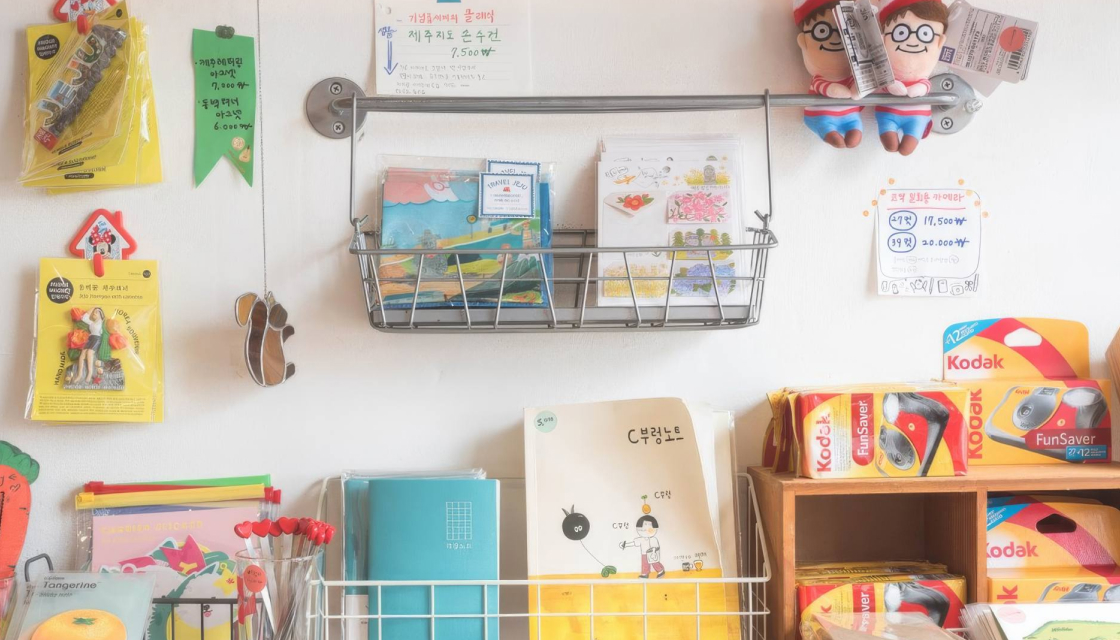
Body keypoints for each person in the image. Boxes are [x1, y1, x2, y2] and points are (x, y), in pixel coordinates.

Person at [875, 0, 949, 155]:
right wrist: (891, 85)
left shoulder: (923, 79)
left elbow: (925, 85)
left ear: (940, 42)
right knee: (890, 145)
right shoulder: (887, 77)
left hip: (917, 116)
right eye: (901, 33)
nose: (913, 41)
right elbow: (883, 84)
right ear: (883, 40)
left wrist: (919, 88)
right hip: (888, 113)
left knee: (906, 149)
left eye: (925, 34)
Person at [794, 0, 863, 149]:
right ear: (803, 42)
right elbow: (827, 88)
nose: (836, 39)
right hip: (821, 117)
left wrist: (858, 89)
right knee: (834, 137)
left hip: (851, 117)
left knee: (856, 136)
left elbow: (858, 87)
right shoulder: (819, 79)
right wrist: (841, 91)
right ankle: (828, 132)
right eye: (822, 31)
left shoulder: (852, 77)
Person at [78, 307, 105, 384]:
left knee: (89, 352)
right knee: (82, 355)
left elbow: (105, 330)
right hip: (90, 338)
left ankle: (89, 373)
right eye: (93, 312)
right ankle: (79, 375)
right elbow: (84, 317)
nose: (94, 314)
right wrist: (93, 308)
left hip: (97, 339)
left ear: (100, 314)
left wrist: (97, 308)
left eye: (96, 312)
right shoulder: (91, 323)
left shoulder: (102, 322)